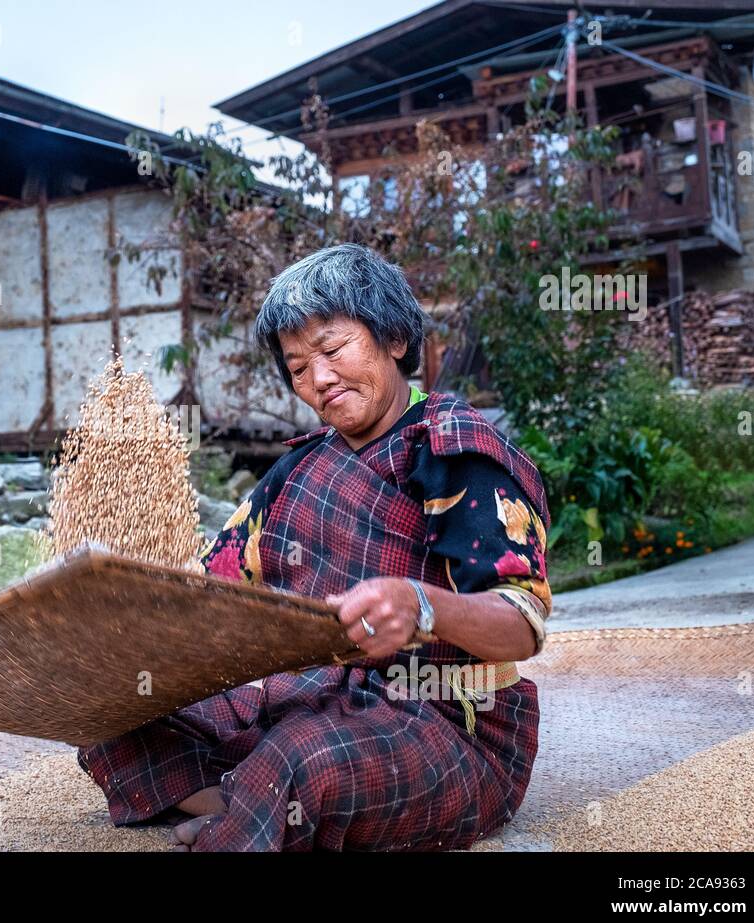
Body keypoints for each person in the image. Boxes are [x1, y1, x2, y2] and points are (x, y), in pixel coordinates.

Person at [77, 243, 552, 851]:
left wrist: (420, 605)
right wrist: (110, 621)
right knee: (112, 716)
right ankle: (256, 803)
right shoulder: (294, 473)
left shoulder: (456, 451)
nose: (320, 380)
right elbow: (210, 593)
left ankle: (258, 802)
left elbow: (522, 624)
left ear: (395, 339)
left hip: (449, 729)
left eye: (332, 350)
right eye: (299, 369)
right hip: (314, 703)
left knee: (304, 757)